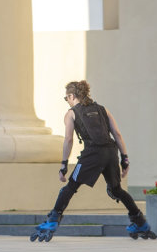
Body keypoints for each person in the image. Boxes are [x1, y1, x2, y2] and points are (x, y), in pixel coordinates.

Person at [36, 80, 150, 239]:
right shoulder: (103, 110)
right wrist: (124, 159)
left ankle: (53, 219)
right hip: (110, 152)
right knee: (116, 189)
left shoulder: (71, 113)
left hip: (92, 153)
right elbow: (117, 134)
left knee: (71, 186)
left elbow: (68, 139)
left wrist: (63, 164)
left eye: (66, 98)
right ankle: (140, 222)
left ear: (71, 96)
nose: (67, 102)